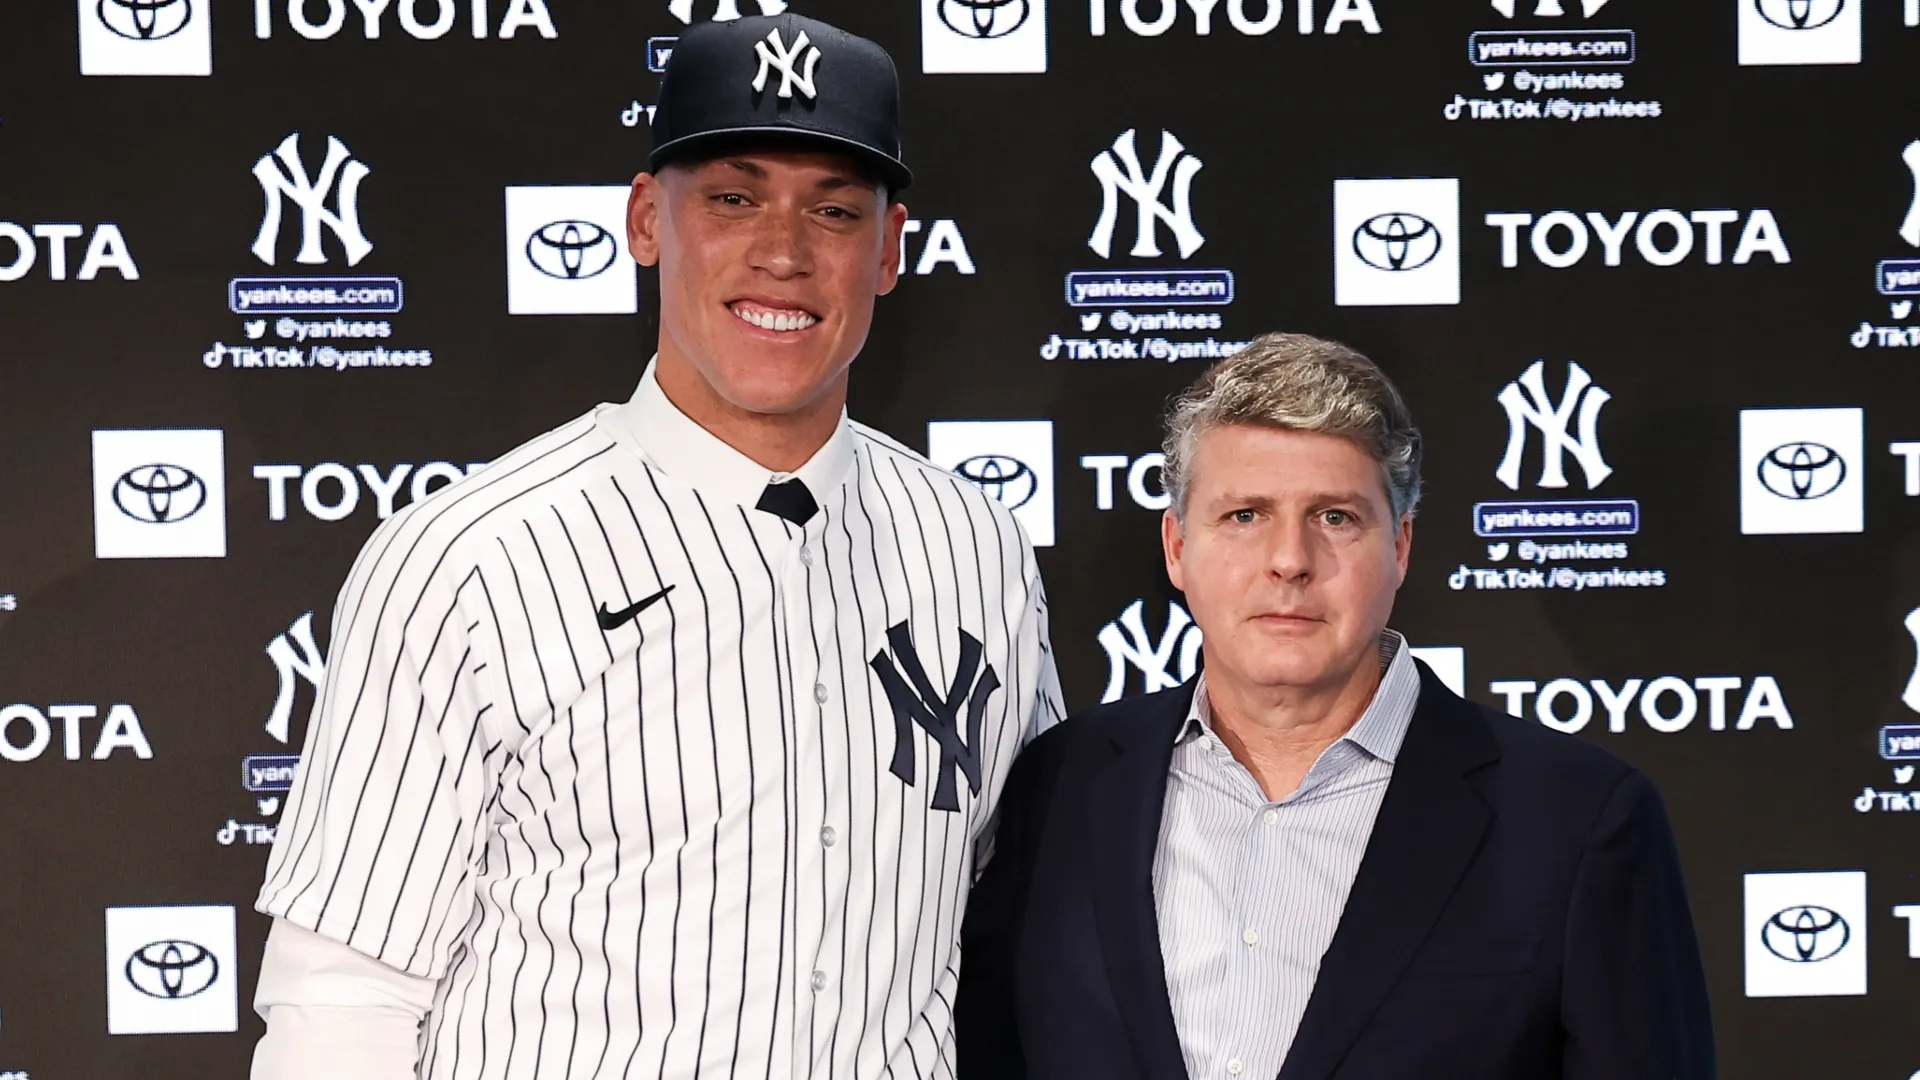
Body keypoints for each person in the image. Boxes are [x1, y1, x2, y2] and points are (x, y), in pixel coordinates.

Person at [249, 14, 1062, 1080]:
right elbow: (344, 998)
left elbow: (1030, 921)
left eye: (833, 209)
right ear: (646, 219)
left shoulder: (977, 547)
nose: (784, 251)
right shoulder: (470, 559)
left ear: (891, 251)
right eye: (734, 197)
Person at [955, 333, 1714, 1080]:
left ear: (1402, 547)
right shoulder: (1059, 784)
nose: (1289, 560)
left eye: (1335, 517)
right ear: (1177, 547)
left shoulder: (1579, 821)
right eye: (1245, 515)